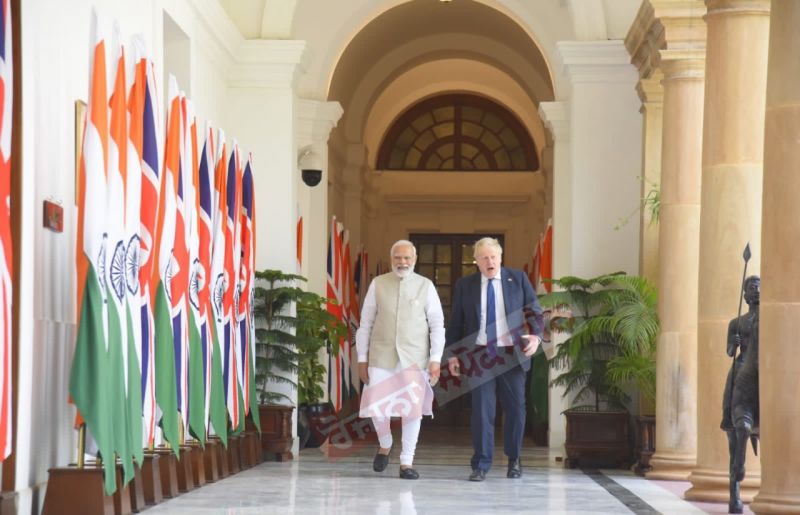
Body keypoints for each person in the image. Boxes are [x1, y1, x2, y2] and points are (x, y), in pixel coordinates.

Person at [446, 237, 543, 482]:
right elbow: (456, 322)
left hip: (512, 353)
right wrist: (452, 355)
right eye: (484, 258)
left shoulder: (517, 278)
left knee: (516, 410)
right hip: (480, 355)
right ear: (476, 261)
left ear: (500, 257)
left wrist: (537, 337)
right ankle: (481, 464)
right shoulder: (464, 285)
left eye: (493, 257)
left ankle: (514, 459)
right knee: (481, 411)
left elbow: (534, 310)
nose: (490, 261)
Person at [356, 239, 445, 480]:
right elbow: (366, 324)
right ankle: (385, 443)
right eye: (398, 258)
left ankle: (406, 462)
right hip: (380, 355)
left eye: (407, 258)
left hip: (415, 357)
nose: (402, 262)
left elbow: (437, 324)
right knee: (377, 406)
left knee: (412, 410)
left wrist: (435, 359)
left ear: (414, 260)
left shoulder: (425, 286)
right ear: (391, 259)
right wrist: (362, 359)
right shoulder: (378, 284)